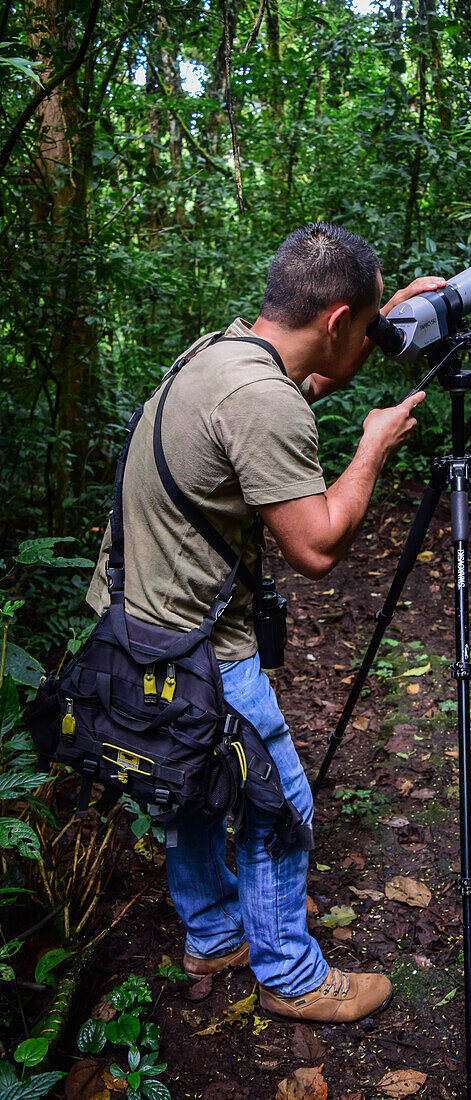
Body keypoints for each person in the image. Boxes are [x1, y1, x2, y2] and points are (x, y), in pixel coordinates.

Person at [86, 222, 445, 1024]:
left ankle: (214, 936)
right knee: (278, 806)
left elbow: (297, 389)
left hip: (134, 628)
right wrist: (372, 447)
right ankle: (291, 976)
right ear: (334, 319)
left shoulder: (223, 354)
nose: (369, 338)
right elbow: (316, 548)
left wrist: (380, 312)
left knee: (191, 791)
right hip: (201, 648)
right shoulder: (262, 401)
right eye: (363, 325)